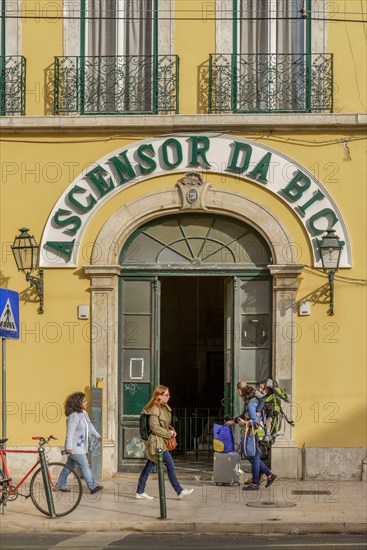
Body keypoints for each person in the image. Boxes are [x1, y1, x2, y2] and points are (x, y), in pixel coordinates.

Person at [136, 385, 194, 500]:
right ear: (159, 396)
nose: (169, 397)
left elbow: (164, 425)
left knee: (149, 466)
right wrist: (169, 434)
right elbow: (154, 427)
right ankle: (179, 491)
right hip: (157, 443)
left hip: (161, 441)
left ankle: (140, 491)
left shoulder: (163, 407)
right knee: (170, 466)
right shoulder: (154, 409)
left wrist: (171, 430)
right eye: (166, 395)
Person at [56, 392, 103, 494]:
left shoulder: (84, 414)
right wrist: (68, 447)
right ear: (78, 403)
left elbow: (90, 426)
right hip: (75, 447)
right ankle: (92, 486)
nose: (86, 402)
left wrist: (97, 435)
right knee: (85, 466)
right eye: (84, 401)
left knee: (69, 467)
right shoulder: (73, 416)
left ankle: (60, 484)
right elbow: (70, 432)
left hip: (81, 446)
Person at [240, 385, 277, 491]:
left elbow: (255, 421)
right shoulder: (257, 401)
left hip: (256, 434)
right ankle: (269, 475)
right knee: (254, 457)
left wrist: (244, 422)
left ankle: (255, 484)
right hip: (260, 434)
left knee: (254, 458)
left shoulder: (251, 404)